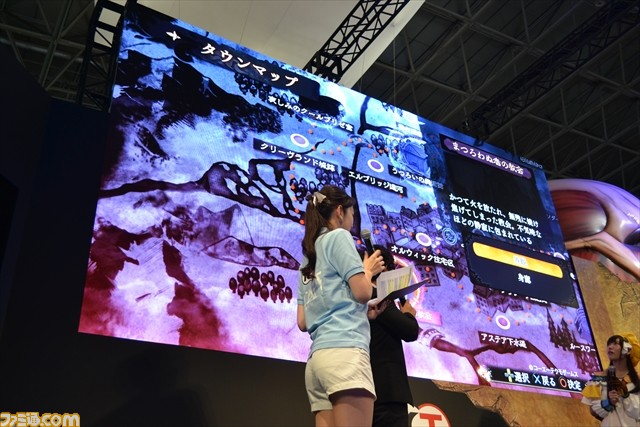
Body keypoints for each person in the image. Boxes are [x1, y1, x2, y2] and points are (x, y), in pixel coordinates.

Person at [296, 185, 387, 427]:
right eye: (352, 214)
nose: (352, 221)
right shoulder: (339, 237)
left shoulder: (308, 256)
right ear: (339, 211)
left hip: (317, 363)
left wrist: (363, 312)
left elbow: (303, 321)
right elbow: (363, 291)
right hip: (345, 354)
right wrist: (368, 270)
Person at [365, 245, 420, 427]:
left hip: (371, 390)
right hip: (386, 392)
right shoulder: (376, 296)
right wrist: (409, 314)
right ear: (385, 270)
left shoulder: (359, 296)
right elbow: (410, 331)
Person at [581, 333, 640, 426]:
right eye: (609, 344)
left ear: (628, 350)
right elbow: (593, 411)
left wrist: (625, 394)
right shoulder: (599, 378)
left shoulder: (637, 380)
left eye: (615, 344)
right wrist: (609, 402)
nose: (610, 347)